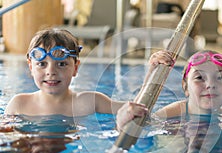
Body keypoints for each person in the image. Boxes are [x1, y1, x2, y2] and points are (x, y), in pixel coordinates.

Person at [4, 28, 147, 129]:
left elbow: (137, 109)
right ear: (30, 67)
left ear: (76, 68)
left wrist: (151, 72)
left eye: (61, 64)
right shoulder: (19, 104)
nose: (51, 72)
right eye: (42, 64)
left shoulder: (91, 102)